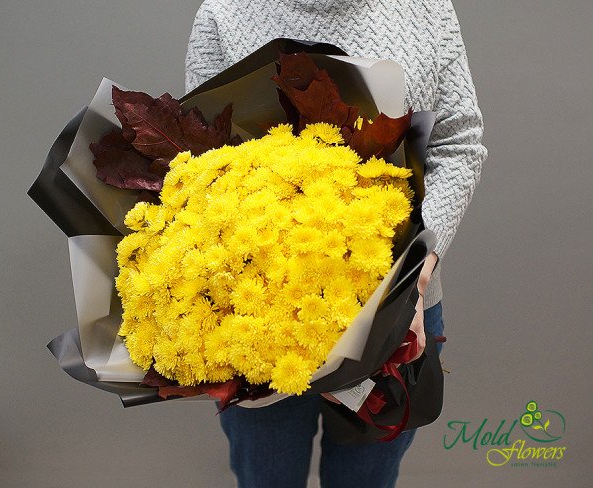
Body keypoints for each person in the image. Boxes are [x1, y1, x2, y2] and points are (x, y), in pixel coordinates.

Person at [184, 1, 487, 487]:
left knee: (368, 479)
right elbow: (203, 162)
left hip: (395, 307)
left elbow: (459, 141)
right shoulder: (225, 12)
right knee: (266, 478)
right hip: (257, 323)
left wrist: (416, 270)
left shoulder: (426, 8)